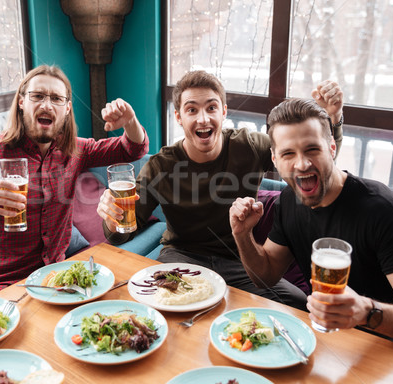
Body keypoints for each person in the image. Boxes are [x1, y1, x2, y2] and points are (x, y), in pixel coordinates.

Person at [97, 70, 344, 309]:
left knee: (298, 304)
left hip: (238, 261)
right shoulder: (160, 166)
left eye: (211, 107)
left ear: (223, 112)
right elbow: (121, 235)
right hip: (180, 259)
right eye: (192, 109)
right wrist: (111, 216)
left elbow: (312, 166)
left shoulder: (250, 145)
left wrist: (333, 119)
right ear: (179, 117)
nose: (203, 118)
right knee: (154, 306)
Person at [229, 98, 393, 351]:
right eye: (288, 153)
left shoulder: (382, 209)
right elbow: (265, 275)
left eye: (312, 149)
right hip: (331, 339)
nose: (301, 164)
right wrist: (243, 234)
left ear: (332, 147)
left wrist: (366, 312)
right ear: (275, 160)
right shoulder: (289, 200)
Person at [0, 65, 148, 295]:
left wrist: (130, 121)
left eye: (56, 98)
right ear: (21, 102)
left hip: (55, 279)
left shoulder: (75, 150)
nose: (46, 104)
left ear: (67, 108)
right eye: (37, 96)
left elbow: (133, 149)